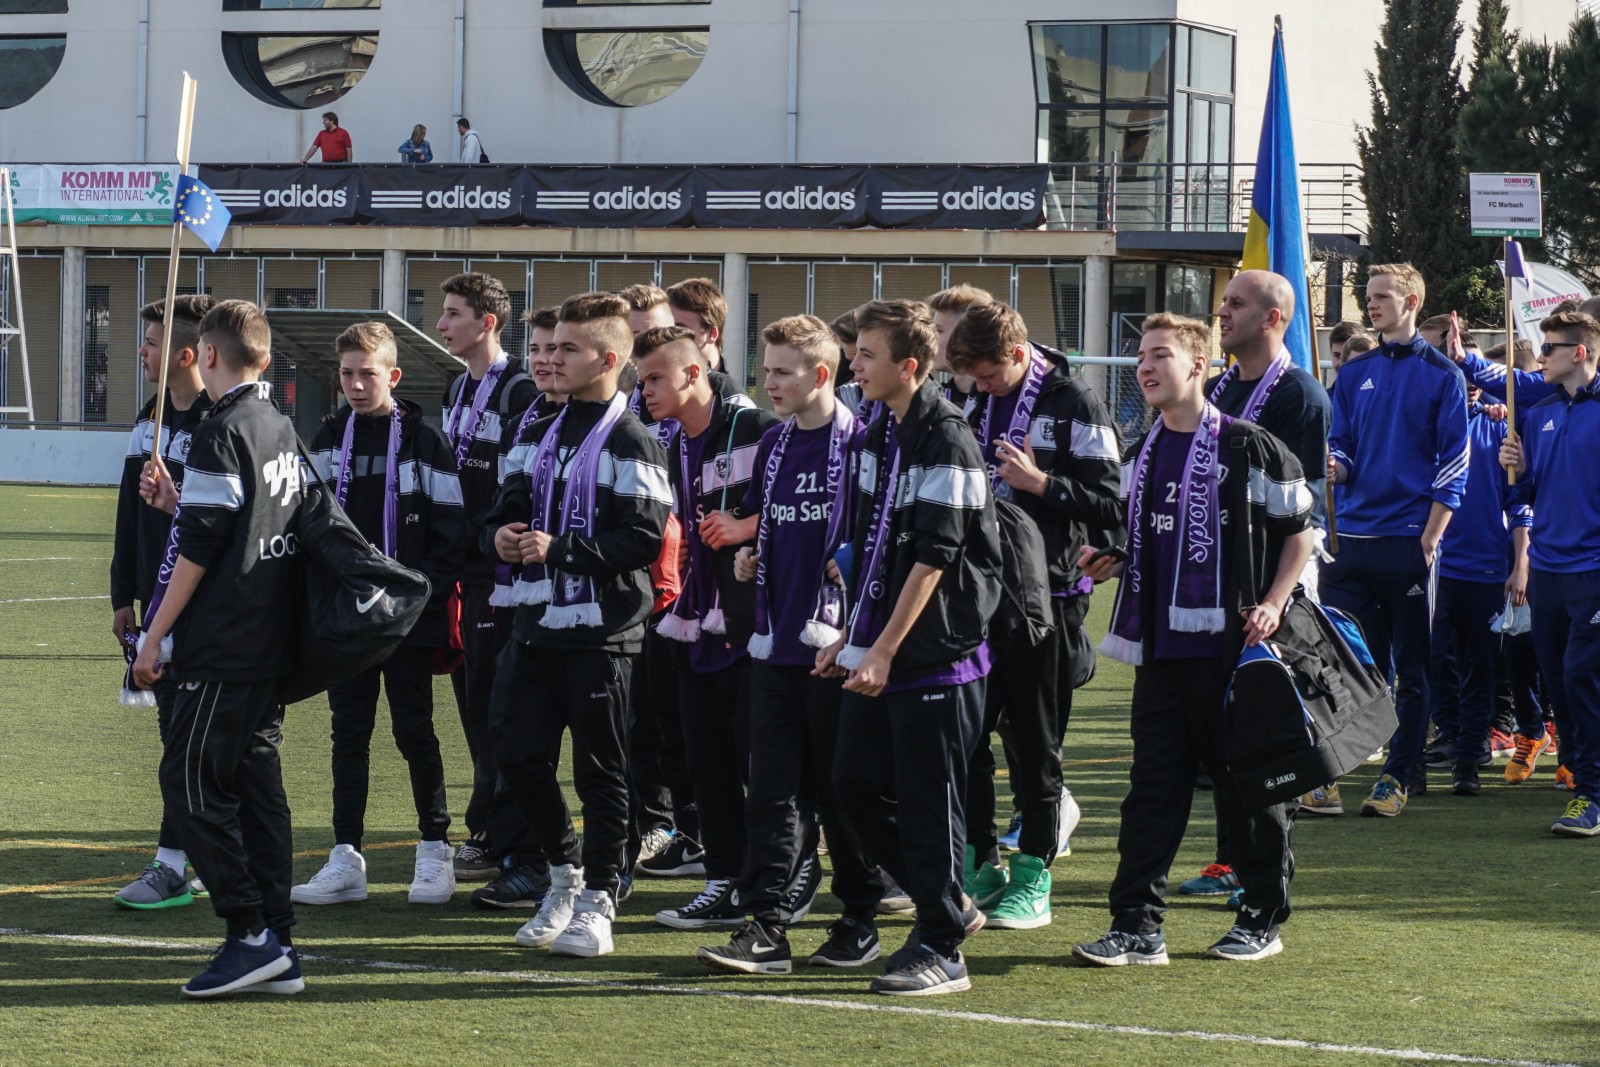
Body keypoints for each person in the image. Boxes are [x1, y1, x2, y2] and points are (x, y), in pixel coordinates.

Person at [1073, 312, 1313, 967]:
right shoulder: (1140, 451)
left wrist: (1271, 600)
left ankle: (1262, 917)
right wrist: (1112, 556)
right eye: (1142, 356)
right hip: (1161, 655)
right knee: (1151, 792)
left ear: (1198, 367)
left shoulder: (1249, 446)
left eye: (1160, 356)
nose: (1146, 367)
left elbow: (1300, 534)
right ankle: (1137, 926)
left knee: (1254, 792)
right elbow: (1141, 537)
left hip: (1235, 656)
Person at [695, 315, 893, 974]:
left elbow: (879, 541)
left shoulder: (863, 444)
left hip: (834, 652)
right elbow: (775, 523)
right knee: (772, 792)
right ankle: (767, 926)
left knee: (841, 793)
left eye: (782, 371)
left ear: (821, 374)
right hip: (773, 645)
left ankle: (860, 916)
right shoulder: (775, 444)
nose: (769, 382)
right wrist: (756, 556)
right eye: (766, 368)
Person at [817, 299, 1004, 996]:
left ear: (910, 367)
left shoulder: (946, 438)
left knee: (930, 801)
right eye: (855, 350)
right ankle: (946, 902)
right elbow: (870, 550)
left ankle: (942, 944)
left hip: (936, 654)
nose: (853, 364)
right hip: (881, 645)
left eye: (866, 354)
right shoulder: (874, 435)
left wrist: (884, 648)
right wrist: (849, 636)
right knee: (851, 783)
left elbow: (933, 559)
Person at [482, 292, 672, 956]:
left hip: (603, 631)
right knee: (513, 751)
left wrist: (559, 547)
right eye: (548, 346)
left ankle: (599, 901)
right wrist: (501, 535)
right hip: (535, 621)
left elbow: (644, 540)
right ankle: (564, 874)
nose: (550, 359)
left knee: (601, 772)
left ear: (608, 359)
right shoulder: (535, 425)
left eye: (567, 348)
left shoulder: (633, 435)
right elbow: (507, 502)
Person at [131, 299, 305, 997]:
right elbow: (236, 521)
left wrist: (153, 636)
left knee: (191, 782)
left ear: (205, 355)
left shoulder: (222, 427)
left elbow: (202, 548)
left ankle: (250, 931)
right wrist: (181, 504)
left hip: (224, 643)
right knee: (259, 787)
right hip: (266, 639)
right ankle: (278, 936)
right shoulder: (277, 423)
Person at [945, 301, 1122, 930]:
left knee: (1035, 750)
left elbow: (1114, 503)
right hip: (974, 600)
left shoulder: (1077, 403)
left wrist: (1042, 484)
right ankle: (980, 864)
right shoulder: (966, 400)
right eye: (976, 381)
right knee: (966, 742)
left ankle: (1034, 878)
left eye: (991, 377)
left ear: (1019, 355)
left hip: (1045, 603)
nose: (983, 389)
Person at [292, 322, 466, 908]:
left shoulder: (426, 441)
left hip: (408, 616)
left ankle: (434, 847)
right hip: (348, 618)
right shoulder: (325, 434)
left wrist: (420, 598)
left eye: (368, 373)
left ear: (393, 375)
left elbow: (451, 535)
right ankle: (346, 857)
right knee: (350, 733)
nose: (356, 384)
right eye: (347, 373)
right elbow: (306, 524)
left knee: (414, 730)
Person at [639, 325, 783, 928]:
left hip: (755, 627)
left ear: (694, 373)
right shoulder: (672, 443)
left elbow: (818, 509)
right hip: (695, 622)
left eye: (655, 379)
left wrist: (749, 527)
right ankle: (724, 878)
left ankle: (785, 879)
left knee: (763, 765)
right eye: (640, 380)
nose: (644, 392)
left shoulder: (753, 429)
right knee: (707, 762)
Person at [1325, 263, 1470, 818]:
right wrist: (1337, 464)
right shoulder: (1354, 371)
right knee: (1345, 663)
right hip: (1352, 543)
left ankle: (1396, 776)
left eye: (1383, 296)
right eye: (1369, 296)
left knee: (1412, 667)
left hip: (1408, 541)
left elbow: (1455, 464)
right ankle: (1331, 773)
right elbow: (1341, 442)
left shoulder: (1442, 376)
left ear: (1411, 301)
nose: (1373, 304)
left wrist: (1431, 537)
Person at [1193, 270, 1332, 841]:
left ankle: (1256, 864)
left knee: (1262, 728)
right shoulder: (1221, 388)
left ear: (1273, 318)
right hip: (1223, 579)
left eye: (1236, 304)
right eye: (1222, 302)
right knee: (1222, 729)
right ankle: (1233, 857)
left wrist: (1274, 598)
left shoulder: (1299, 395)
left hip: (1272, 583)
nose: (1220, 313)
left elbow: (1295, 512)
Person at [435, 273, 544, 904]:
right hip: (464, 567)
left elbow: (512, 486)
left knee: (498, 708)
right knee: (474, 705)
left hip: (500, 573)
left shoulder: (518, 388)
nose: (443, 324)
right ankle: (488, 826)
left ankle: (510, 839)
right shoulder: (457, 384)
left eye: (452, 313)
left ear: (488, 322)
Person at [109, 294, 216, 910]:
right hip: (155, 606)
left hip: (203, 609)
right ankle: (191, 857)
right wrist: (124, 594)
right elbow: (128, 513)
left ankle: (173, 864)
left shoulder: (216, 422)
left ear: (183, 353)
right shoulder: (147, 418)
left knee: (189, 741)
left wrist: (177, 502)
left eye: (150, 343)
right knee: (176, 737)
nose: (140, 352)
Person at [1499, 311, 1600, 836]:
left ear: (1579, 352)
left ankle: (1592, 795)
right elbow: (1526, 495)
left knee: (1584, 676)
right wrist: (1512, 466)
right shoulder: (1537, 415)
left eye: (1550, 348)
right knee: (1559, 681)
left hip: (1593, 571)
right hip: (1550, 570)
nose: (1540, 357)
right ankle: (1582, 780)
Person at [927, 285, 992, 416]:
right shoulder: (935, 402)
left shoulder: (1005, 404)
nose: (929, 339)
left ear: (968, 335)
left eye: (938, 331)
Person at [666, 277, 728, 373]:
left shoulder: (728, 387)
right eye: (666, 329)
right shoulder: (650, 384)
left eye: (679, 330)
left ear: (711, 334)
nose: (667, 337)